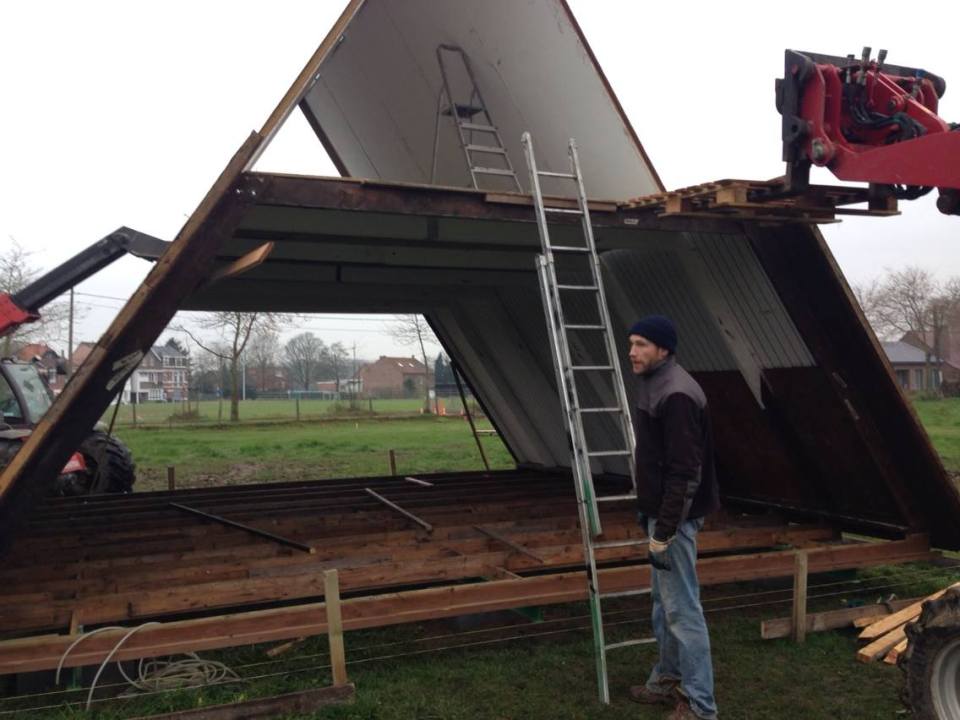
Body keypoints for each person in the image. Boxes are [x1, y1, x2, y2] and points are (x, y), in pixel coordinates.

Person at [625, 315, 720, 720]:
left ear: (663, 349)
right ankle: (667, 678)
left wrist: (664, 529)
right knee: (664, 605)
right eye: (631, 343)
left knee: (682, 609)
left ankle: (700, 704)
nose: (632, 352)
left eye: (641, 344)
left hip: (675, 520)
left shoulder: (677, 393)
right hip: (660, 513)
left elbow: (685, 471)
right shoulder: (654, 382)